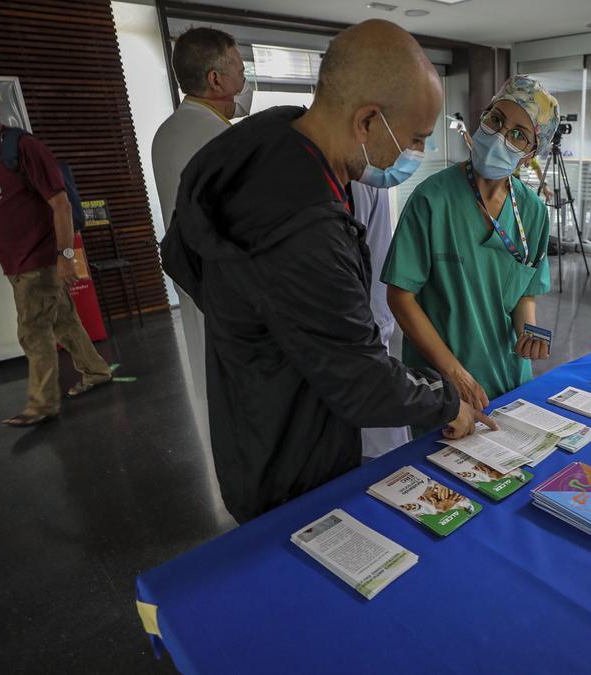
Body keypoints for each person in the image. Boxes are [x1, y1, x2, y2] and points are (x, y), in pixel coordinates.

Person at [160, 20, 492, 523]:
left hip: (261, 408)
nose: (416, 154)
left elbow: (180, 253)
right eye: (415, 138)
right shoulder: (303, 225)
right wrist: (447, 403)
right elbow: (360, 381)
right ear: (368, 122)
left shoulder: (274, 135)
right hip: (290, 457)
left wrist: (256, 325)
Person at [382, 76, 559, 435]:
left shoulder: (533, 211)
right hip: (444, 387)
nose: (500, 136)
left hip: (508, 378)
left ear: (530, 152)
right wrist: (454, 373)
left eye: (519, 134)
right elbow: (400, 297)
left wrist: (531, 333)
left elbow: (524, 294)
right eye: (496, 120)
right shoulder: (432, 200)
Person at [0, 78, 111, 427]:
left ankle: (42, 404)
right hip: (12, 260)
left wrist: (66, 255)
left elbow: (60, 203)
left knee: (33, 331)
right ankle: (96, 371)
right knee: (63, 321)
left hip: (38, 256)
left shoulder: (24, 147)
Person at [151, 27, 250, 402]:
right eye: (239, 70)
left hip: (191, 278)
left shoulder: (167, 131)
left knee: (207, 377)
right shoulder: (221, 138)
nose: (244, 79)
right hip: (229, 286)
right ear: (215, 79)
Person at [353, 181, 412, 460]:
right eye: (416, 139)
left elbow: (378, 274)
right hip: (353, 351)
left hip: (374, 346)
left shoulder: (373, 181)